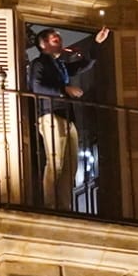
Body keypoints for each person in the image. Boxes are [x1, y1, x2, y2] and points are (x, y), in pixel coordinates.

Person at [28, 26, 110, 211]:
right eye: (55, 40)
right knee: (55, 162)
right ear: (43, 45)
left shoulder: (60, 66)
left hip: (67, 117)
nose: (61, 42)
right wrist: (64, 90)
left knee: (70, 166)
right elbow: (37, 87)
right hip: (50, 115)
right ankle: (50, 204)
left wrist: (96, 43)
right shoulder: (38, 64)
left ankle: (64, 206)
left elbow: (84, 65)